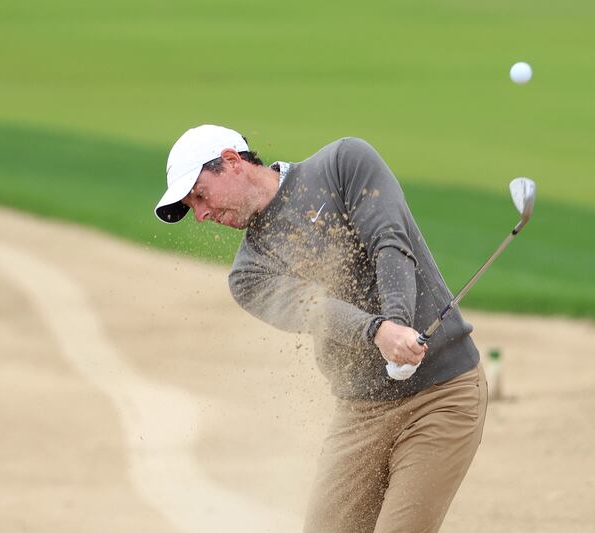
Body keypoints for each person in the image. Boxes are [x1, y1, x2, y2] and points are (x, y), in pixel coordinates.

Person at [154, 124, 487, 533]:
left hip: (441, 391)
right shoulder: (248, 274)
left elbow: (390, 240)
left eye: (200, 196)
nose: (202, 215)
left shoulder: (342, 163)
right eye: (192, 208)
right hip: (361, 411)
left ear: (231, 162)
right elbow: (316, 309)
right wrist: (379, 333)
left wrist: (396, 323)